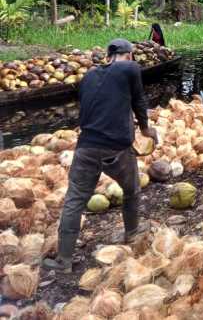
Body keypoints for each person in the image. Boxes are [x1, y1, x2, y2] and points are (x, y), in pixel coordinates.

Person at [42, 39, 158, 273]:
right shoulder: (130, 68)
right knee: (132, 190)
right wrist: (145, 129)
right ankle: (132, 235)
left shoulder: (89, 75)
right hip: (116, 148)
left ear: (108, 56)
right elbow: (138, 100)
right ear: (130, 55)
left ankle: (64, 261)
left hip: (85, 147)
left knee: (74, 201)